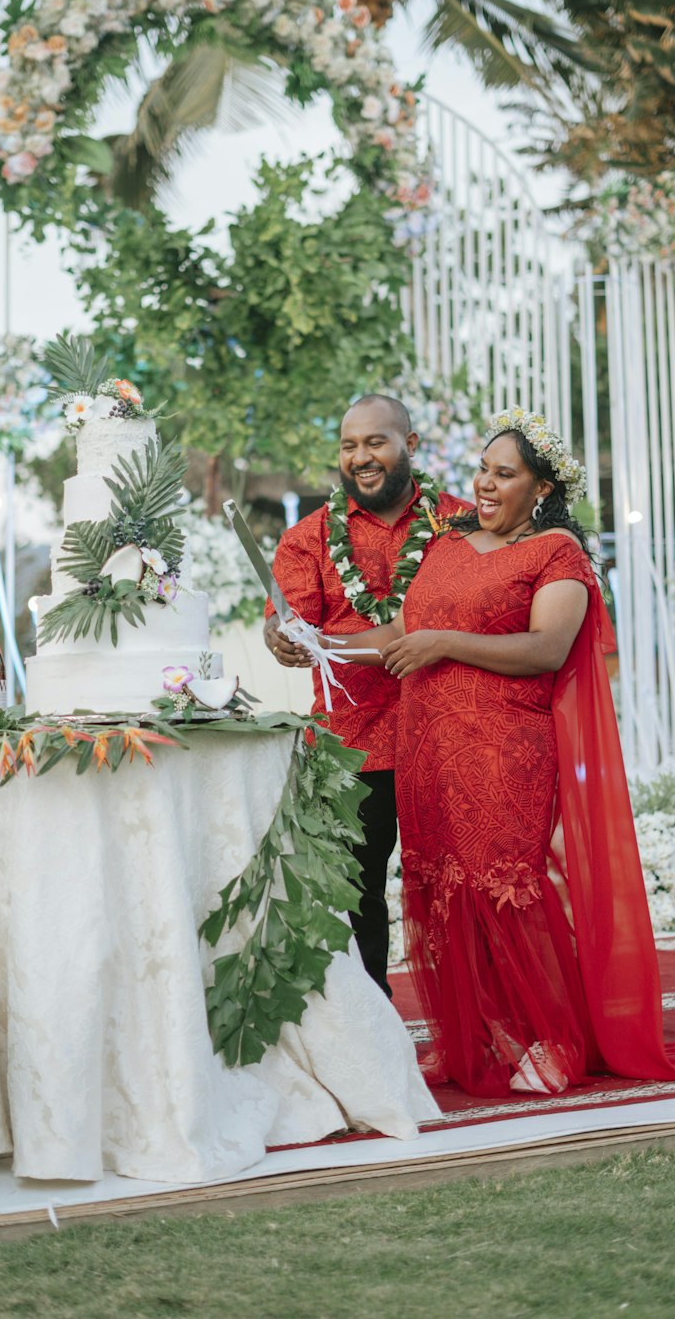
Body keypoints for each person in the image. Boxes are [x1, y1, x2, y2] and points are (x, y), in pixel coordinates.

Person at [329, 408, 675, 1094]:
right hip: (430, 752)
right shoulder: (449, 545)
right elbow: (401, 628)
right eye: (482, 468)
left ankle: (555, 1040)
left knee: (507, 893)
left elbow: (546, 648)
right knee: (447, 894)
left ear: (540, 490)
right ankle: (482, 1038)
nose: (484, 484)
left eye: (505, 474)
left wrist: (443, 644)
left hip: (507, 750)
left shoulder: (555, 553)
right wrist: (319, 640)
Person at [264, 394, 470, 996]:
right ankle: (374, 1033)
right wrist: (279, 636)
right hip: (353, 743)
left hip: (448, 731)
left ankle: (477, 1025)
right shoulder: (306, 539)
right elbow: (288, 620)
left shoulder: (458, 524)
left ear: (412, 444)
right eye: (349, 446)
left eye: (376, 442)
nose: (361, 457)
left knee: (461, 885)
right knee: (357, 894)